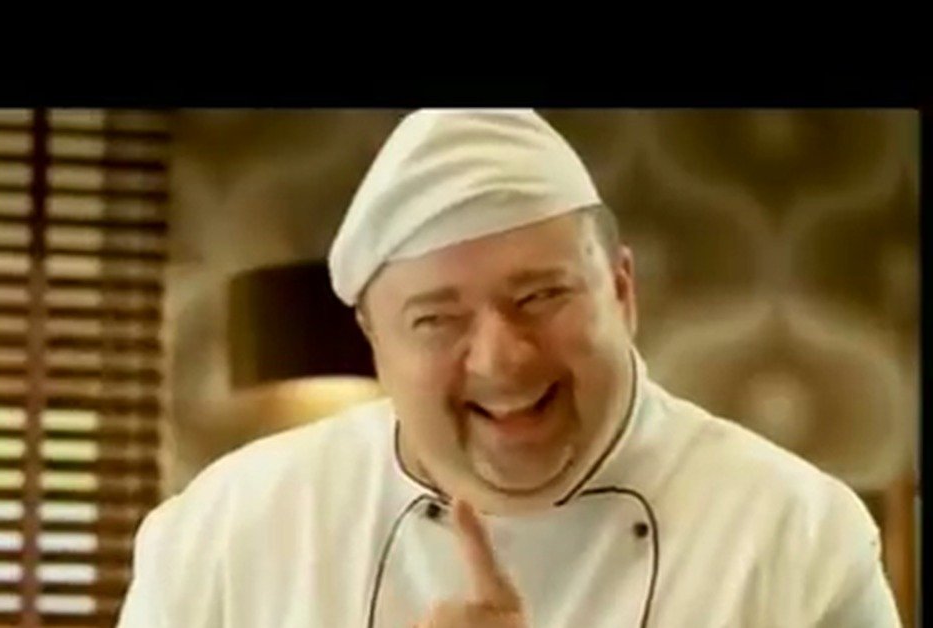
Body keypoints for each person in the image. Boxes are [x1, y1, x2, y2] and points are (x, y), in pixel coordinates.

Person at [116, 109, 901, 627]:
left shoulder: (798, 539)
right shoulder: (222, 537)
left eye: (540, 296)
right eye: (436, 319)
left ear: (621, 290)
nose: (501, 358)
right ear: (373, 340)